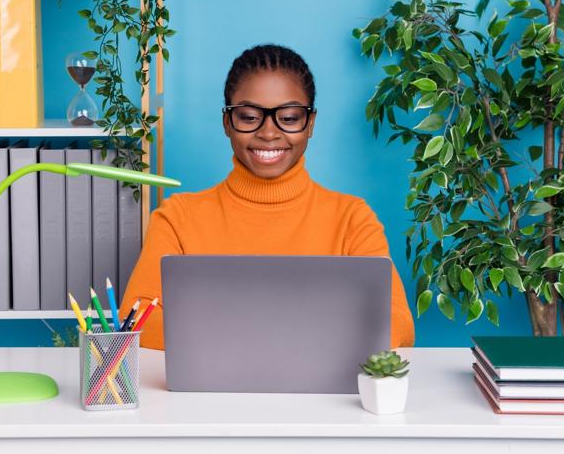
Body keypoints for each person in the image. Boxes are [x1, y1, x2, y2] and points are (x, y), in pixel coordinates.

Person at [120, 44, 415, 349]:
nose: (269, 133)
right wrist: (284, 339)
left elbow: (398, 323)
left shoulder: (353, 218)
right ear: (227, 123)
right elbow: (136, 318)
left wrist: (238, 337)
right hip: (209, 394)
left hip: (322, 395)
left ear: (310, 123)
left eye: (288, 118)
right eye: (249, 117)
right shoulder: (177, 217)